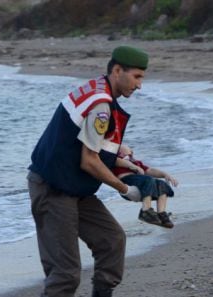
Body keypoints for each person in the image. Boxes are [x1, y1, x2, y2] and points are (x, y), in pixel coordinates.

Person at [27, 45, 148, 297]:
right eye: (136, 77)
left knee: (112, 241)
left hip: (74, 188)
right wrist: (125, 189)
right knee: (65, 274)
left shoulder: (98, 89)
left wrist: (121, 158)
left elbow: (89, 141)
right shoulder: (101, 106)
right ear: (117, 70)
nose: (139, 85)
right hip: (53, 189)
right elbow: (89, 161)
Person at [112, 144, 178, 228]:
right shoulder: (117, 160)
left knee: (161, 184)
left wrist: (165, 174)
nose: (122, 153)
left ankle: (161, 214)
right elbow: (116, 160)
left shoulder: (137, 162)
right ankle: (146, 210)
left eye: (126, 152)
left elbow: (150, 170)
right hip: (127, 182)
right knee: (148, 179)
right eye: (120, 152)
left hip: (142, 184)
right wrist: (133, 166)